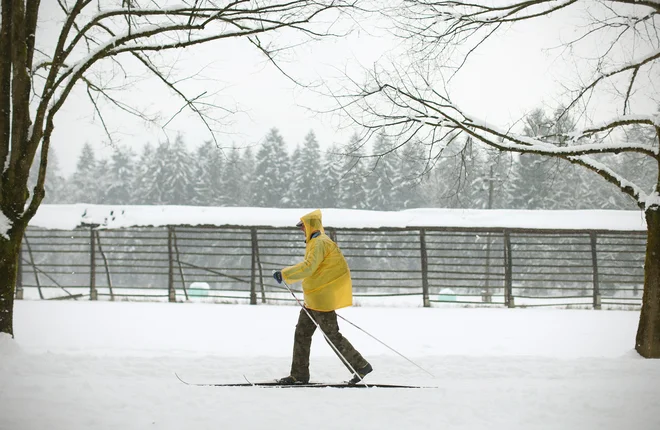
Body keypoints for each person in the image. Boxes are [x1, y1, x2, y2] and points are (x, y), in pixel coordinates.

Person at [272, 209, 372, 385]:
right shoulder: (316, 242)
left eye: (303, 226)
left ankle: (360, 365)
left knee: (332, 335)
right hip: (313, 299)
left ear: (311, 226)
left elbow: (308, 267)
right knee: (302, 334)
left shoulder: (319, 243)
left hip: (321, 300)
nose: (301, 230)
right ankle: (299, 374)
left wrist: (284, 273)